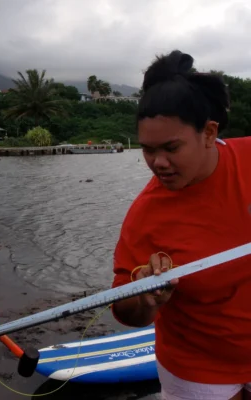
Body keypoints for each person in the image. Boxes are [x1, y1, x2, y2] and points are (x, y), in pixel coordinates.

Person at [111, 50, 251, 400]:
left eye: (172, 147)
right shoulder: (146, 215)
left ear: (209, 132)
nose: (158, 163)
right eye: (147, 150)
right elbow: (124, 311)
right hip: (197, 366)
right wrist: (144, 298)